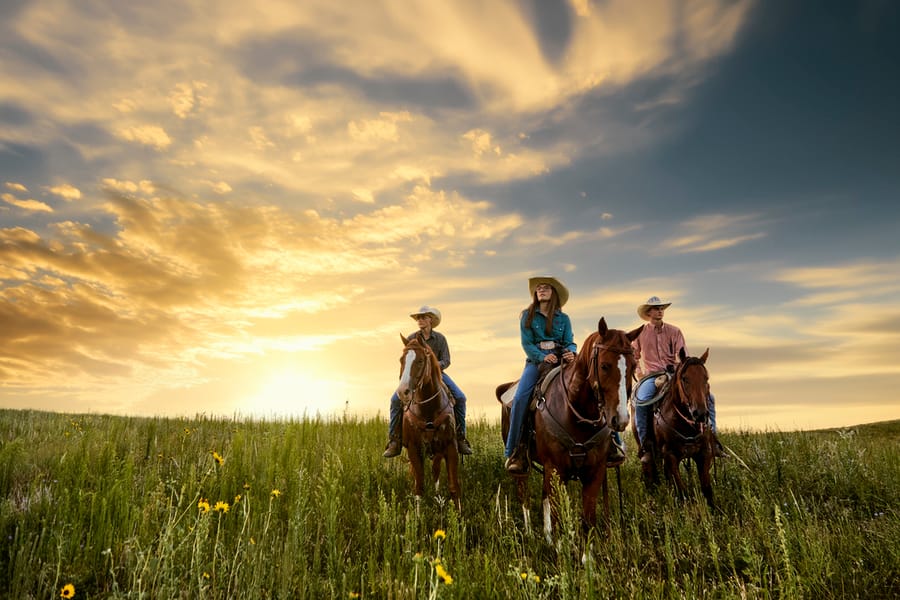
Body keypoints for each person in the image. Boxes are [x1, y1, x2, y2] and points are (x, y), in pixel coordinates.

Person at [631, 296, 726, 462]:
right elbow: (634, 355)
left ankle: (713, 440)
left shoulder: (674, 331)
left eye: (661, 308)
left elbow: (683, 356)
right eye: (656, 308)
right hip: (652, 375)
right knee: (642, 400)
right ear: (649, 312)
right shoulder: (641, 333)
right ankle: (646, 445)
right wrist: (640, 374)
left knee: (709, 398)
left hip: (674, 374)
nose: (660, 311)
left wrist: (678, 369)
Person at [503, 276, 578, 473]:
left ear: (553, 293)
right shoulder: (527, 315)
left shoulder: (564, 318)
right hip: (536, 361)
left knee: (588, 386)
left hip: (561, 358)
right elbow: (526, 343)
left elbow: (570, 340)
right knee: (519, 399)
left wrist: (571, 351)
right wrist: (542, 357)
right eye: (538, 288)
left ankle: (612, 443)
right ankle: (515, 450)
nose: (541, 290)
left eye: (545, 288)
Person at [383, 306, 473, 458]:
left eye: (423, 317)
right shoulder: (411, 338)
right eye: (418, 318)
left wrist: (434, 367)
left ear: (431, 320)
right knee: (395, 400)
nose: (420, 320)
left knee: (460, 397)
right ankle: (395, 440)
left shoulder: (440, 339)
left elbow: (447, 360)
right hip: (416, 377)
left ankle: (460, 437)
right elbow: (408, 360)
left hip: (438, 375)